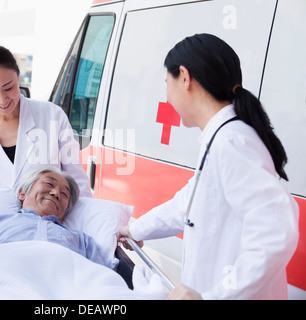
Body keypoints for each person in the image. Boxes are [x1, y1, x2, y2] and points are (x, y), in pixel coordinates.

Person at [118, 33, 299, 300]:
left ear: (184, 77)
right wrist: (135, 230)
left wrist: (213, 297)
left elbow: (275, 232)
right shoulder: (221, 138)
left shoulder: (231, 141)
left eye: (167, 84)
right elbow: (187, 205)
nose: (167, 97)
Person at [0, 46, 91, 197]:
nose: (2, 100)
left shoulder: (52, 116)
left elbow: (77, 181)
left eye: (8, 88)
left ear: (18, 76)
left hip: (47, 220)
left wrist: (87, 219)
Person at [0, 166, 106, 271]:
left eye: (64, 194)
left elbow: (101, 278)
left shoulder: (82, 241)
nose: (56, 193)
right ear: (22, 193)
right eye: (48, 184)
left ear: (66, 210)